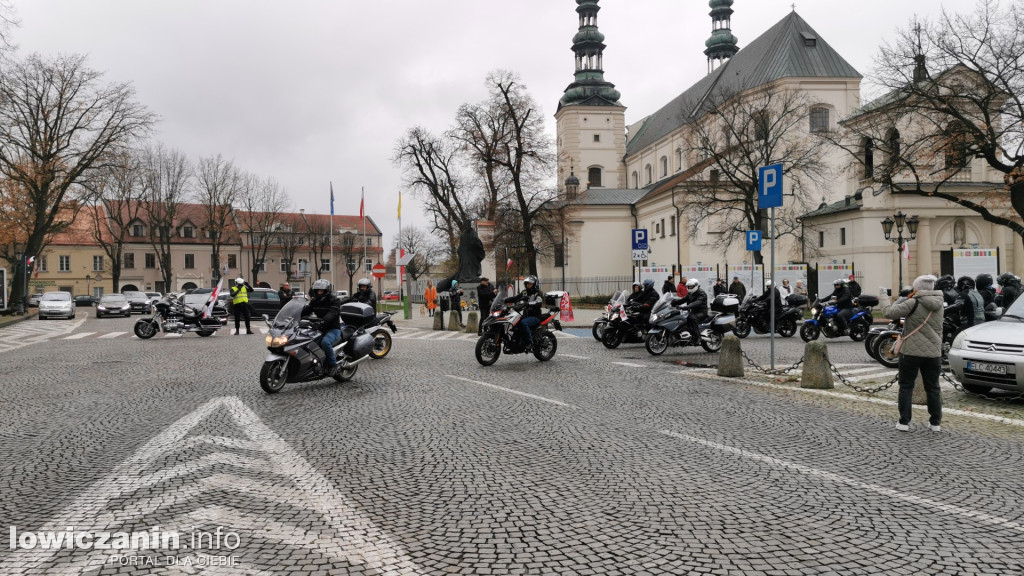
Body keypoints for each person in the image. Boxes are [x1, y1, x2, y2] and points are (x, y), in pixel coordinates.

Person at [880, 275, 944, 432]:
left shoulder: (914, 302)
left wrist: (883, 295)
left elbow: (888, 312)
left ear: (917, 287)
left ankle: (904, 422)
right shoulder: (939, 303)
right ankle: (935, 423)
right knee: (933, 388)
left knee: (906, 387)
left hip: (911, 352)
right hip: (933, 352)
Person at [303, 279, 344, 376]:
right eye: (317, 291)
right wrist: (298, 314)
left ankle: (333, 365)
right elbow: (306, 311)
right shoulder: (315, 301)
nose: (318, 293)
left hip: (333, 329)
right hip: (319, 328)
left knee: (325, 342)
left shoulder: (334, 300)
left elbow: (332, 313)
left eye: (320, 291)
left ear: (326, 291)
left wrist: (322, 321)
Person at [505, 275, 543, 351]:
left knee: (523, 323)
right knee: (515, 323)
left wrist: (527, 304)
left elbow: (539, 302)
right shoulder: (524, 292)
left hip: (535, 316)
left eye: (530, 284)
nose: (528, 285)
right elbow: (516, 298)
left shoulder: (538, 292)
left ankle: (530, 343)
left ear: (534, 284)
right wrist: (504, 300)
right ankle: (516, 342)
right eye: (527, 283)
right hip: (526, 315)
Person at [676, 278, 708, 344]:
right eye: (688, 286)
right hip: (693, 311)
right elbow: (682, 300)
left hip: (702, 312)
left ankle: (698, 337)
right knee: (682, 319)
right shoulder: (690, 293)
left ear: (696, 286)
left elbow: (697, 302)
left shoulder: (701, 293)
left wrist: (687, 306)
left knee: (693, 318)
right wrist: (672, 302)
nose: (689, 288)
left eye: (691, 286)